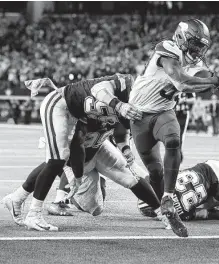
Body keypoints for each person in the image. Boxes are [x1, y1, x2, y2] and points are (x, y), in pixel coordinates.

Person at [128, 19, 219, 237]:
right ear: (181, 38)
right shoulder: (167, 48)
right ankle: (163, 210)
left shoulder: (197, 64)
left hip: (163, 111)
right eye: (194, 45)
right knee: (155, 171)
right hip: (138, 114)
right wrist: (214, 83)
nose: (197, 51)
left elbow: (209, 78)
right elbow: (179, 78)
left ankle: (168, 197)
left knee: (173, 140)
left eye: (200, 47)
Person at [2, 74, 142, 231]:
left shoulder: (123, 93)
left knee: (59, 159)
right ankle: (35, 213)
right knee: (57, 159)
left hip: (73, 117)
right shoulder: (117, 87)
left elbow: (114, 130)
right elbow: (99, 91)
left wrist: (124, 146)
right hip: (59, 107)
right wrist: (119, 106)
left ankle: (17, 198)